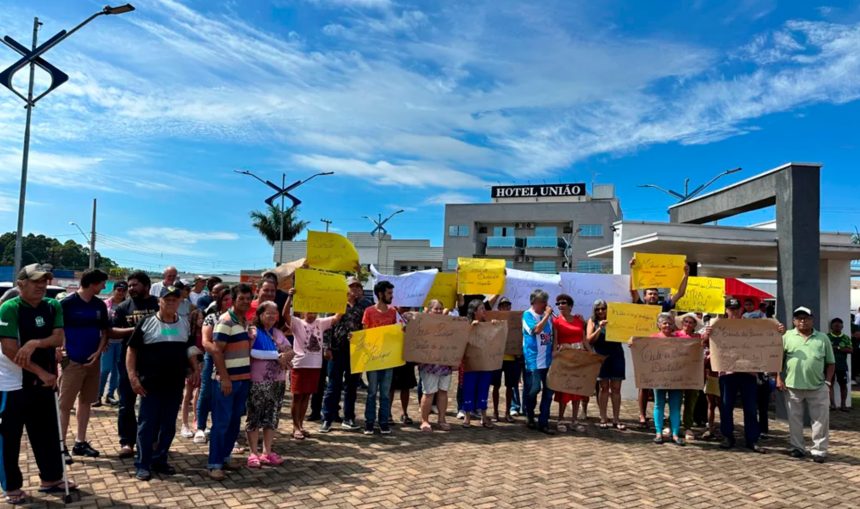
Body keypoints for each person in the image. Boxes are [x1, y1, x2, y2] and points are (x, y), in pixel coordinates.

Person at [0, 264, 73, 504]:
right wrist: (41, 372)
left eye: (44, 280)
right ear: (21, 284)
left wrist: (34, 343)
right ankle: (11, 486)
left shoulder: (52, 306)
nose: (42, 285)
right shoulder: (9, 308)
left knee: (47, 433)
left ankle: (51, 478)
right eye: (36, 281)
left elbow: (58, 338)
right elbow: (10, 350)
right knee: (9, 438)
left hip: (44, 383)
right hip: (13, 384)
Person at [127, 286, 200, 480]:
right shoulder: (146, 322)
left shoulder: (184, 323)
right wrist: (133, 377)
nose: (171, 303)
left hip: (174, 384)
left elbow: (189, 348)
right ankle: (143, 464)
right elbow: (132, 351)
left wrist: (195, 368)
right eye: (167, 300)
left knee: (168, 425)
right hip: (150, 384)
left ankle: (160, 459)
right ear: (159, 301)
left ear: (179, 302)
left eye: (175, 300)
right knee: (147, 425)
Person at [629, 257, 689, 428]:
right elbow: (633, 291)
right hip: (644, 349)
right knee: (644, 384)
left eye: (655, 294)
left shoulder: (664, 307)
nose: (653, 296)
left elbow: (680, 294)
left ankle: (665, 415)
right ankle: (642, 415)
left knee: (664, 382)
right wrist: (632, 269)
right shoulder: (639, 305)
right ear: (645, 296)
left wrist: (685, 275)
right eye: (650, 293)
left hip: (663, 351)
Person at [58, 269, 110, 463]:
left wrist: (98, 352)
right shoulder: (67, 303)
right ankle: (61, 446)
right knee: (65, 405)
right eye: (102, 283)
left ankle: (80, 442)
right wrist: (62, 350)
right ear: (93, 283)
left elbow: (105, 331)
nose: (104, 287)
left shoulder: (99, 305)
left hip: (93, 361)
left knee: (86, 402)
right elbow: (57, 330)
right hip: (72, 362)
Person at [110, 271, 160, 459]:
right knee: (126, 403)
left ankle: (151, 440)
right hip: (128, 361)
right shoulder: (123, 307)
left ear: (146, 286)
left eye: (134, 285)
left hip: (153, 363)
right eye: (129, 285)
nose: (130, 288)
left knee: (153, 403)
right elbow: (112, 331)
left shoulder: (157, 304)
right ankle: (127, 442)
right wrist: (136, 329)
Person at [206, 284, 253, 480]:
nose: (245, 302)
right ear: (233, 300)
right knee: (221, 423)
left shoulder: (244, 321)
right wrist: (225, 378)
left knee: (234, 422)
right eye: (241, 298)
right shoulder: (226, 321)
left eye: (248, 298)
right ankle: (214, 464)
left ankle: (225, 457)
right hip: (227, 381)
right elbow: (217, 351)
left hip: (243, 380)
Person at [718, 298, 778, 453]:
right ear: (726, 310)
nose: (734, 311)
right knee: (726, 407)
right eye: (731, 309)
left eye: (736, 309)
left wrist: (779, 329)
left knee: (750, 408)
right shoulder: (718, 326)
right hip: (727, 373)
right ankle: (727, 436)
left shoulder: (752, 326)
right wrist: (708, 334)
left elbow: (768, 335)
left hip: (749, 372)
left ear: (741, 310)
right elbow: (706, 342)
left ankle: (752, 439)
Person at [777, 306, 836, 463]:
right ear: (794, 321)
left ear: (812, 320)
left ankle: (819, 450)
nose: (803, 321)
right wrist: (778, 378)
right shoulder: (786, 336)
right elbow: (778, 360)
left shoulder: (822, 338)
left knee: (820, 421)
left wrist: (828, 382)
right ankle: (797, 447)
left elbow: (831, 362)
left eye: (806, 318)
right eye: (799, 318)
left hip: (818, 386)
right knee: (794, 420)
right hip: (792, 386)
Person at [283, 288, 341, 440]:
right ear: (303, 312)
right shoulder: (297, 323)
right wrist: (290, 297)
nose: (312, 315)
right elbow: (285, 315)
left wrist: (341, 298)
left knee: (306, 396)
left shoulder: (320, 323)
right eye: (309, 312)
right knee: (297, 397)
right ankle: (295, 427)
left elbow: (337, 317)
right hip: (300, 365)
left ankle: (301, 425)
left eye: (315, 312)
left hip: (315, 366)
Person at [246, 301, 293, 467]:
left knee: (272, 417)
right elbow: (250, 352)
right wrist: (276, 356)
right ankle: (253, 452)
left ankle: (267, 451)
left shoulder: (278, 332)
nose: (272, 316)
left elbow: (290, 350)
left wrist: (286, 356)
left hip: (277, 381)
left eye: (275, 313)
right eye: (269, 313)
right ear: (260, 314)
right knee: (254, 416)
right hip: (258, 381)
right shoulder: (253, 332)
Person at [321, 276, 367, 433]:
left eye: (358, 287)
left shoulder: (364, 307)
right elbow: (327, 327)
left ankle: (349, 418)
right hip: (336, 350)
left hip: (356, 351)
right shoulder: (335, 304)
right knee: (333, 386)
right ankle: (327, 418)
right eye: (352, 286)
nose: (355, 289)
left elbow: (367, 327)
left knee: (352, 386)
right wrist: (326, 347)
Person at [193, 284, 231, 444]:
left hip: (232, 359)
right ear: (220, 301)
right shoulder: (212, 317)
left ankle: (221, 427)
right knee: (206, 391)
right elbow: (205, 341)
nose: (229, 302)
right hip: (212, 358)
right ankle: (200, 427)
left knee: (225, 394)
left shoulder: (239, 319)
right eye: (226, 299)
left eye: (231, 299)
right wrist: (217, 352)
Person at [362, 280, 399, 435]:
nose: (392, 296)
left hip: (388, 359)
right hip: (373, 358)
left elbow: (396, 333)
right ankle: (369, 422)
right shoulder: (369, 311)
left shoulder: (393, 312)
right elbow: (364, 334)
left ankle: (383, 422)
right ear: (380, 294)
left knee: (385, 393)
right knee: (371, 392)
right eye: (389, 293)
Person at [551, 293, 588, 433]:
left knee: (577, 389)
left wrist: (592, 354)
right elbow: (555, 341)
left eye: (563, 303)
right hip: (564, 358)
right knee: (564, 389)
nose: (560, 305)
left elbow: (584, 339)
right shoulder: (556, 321)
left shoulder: (579, 320)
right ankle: (560, 419)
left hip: (579, 357)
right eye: (558, 303)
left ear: (570, 306)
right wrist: (554, 354)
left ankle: (574, 420)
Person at [414, 299, 453, 432]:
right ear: (429, 310)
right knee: (429, 393)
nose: (438, 311)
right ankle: (424, 421)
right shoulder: (422, 325)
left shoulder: (448, 324)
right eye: (436, 308)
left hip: (445, 364)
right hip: (429, 365)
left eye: (440, 308)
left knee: (443, 392)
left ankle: (441, 419)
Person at [587, 299, 626, 430]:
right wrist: (599, 328)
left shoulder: (616, 319)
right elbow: (589, 339)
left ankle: (616, 419)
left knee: (616, 388)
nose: (600, 311)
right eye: (597, 309)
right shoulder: (592, 321)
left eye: (603, 308)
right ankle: (603, 417)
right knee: (603, 388)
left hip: (616, 355)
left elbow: (627, 332)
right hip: (601, 356)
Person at [648, 313, 685, 446]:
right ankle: (658, 433)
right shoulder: (652, 339)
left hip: (676, 378)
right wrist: (632, 342)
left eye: (670, 323)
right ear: (659, 325)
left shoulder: (680, 339)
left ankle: (675, 434)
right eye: (664, 323)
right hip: (659, 377)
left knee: (675, 406)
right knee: (659, 404)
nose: (667, 325)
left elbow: (693, 346)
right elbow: (642, 351)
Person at [522, 289, 554, 434]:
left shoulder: (549, 318)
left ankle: (543, 422)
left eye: (546, 302)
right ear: (534, 302)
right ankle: (529, 414)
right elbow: (536, 330)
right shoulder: (527, 315)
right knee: (534, 390)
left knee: (549, 392)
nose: (545, 305)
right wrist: (546, 315)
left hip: (547, 361)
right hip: (533, 361)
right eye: (542, 302)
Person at [462, 299, 497, 429]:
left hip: (485, 362)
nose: (484, 311)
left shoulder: (487, 324)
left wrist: (495, 327)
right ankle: (467, 416)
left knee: (484, 388)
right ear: (474, 311)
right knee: (469, 388)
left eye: (484, 308)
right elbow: (460, 340)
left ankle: (483, 416)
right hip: (471, 363)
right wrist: (471, 327)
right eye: (481, 308)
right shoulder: (466, 323)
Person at [97, 281, 127, 407]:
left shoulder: (127, 305)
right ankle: (98, 395)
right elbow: (100, 324)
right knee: (105, 369)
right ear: (114, 290)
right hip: (108, 342)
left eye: (123, 290)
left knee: (117, 371)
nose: (121, 292)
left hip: (121, 343)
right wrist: (102, 341)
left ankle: (110, 395)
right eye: (119, 290)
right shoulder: (105, 304)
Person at [674, 313, 704, 441]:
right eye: (686, 321)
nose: (688, 324)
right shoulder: (674, 335)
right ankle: (674, 425)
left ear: (695, 325)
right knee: (675, 400)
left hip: (693, 373)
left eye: (691, 322)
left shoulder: (698, 337)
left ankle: (687, 426)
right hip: (677, 372)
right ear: (682, 323)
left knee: (691, 400)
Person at [491, 297, 520, 423]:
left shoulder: (515, 321)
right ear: (499, 308)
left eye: (507, 306)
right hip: (497, 358)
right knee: (496, 386)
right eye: (503, 306)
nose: (505, 308)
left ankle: (508, 412)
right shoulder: (494, 321)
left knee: (510, 386)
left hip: (511, 358)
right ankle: (495, 412)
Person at [827, 318, 852, 412]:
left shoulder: (846, 338)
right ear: (831, 326)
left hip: (842, 366)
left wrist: (837, 348)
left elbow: (850, 350)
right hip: (829, 365)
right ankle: (832, 404)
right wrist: (841, 348)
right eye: (835, 325)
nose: (837, 326)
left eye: (839, 325)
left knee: (843, 385)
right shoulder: (827, 337)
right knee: (830, 384)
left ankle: (843, 405)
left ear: (842, 326)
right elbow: (824, 349)